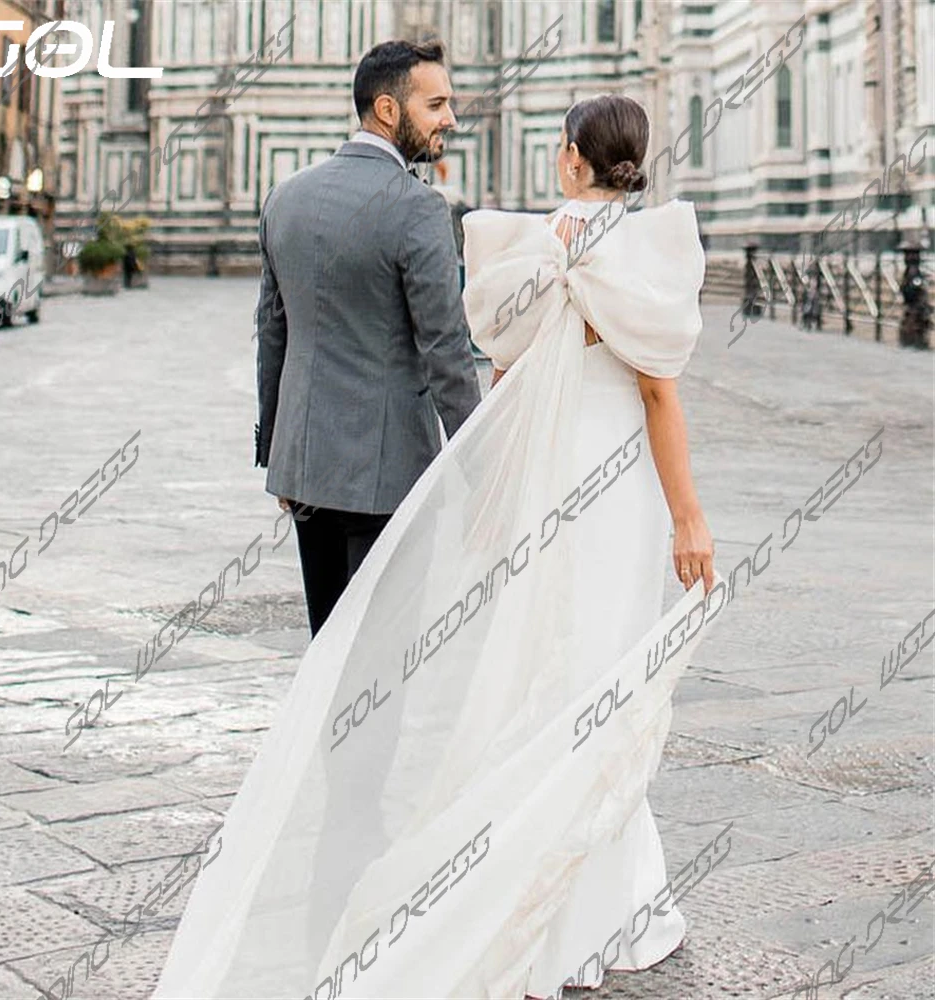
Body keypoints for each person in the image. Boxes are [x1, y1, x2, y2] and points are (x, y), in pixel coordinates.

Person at [153, 92, 715, 1000]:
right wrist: (690, 516)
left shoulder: (519, 249)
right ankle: (599, 905)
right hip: (621, 489)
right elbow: (659, 399)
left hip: (542, 484)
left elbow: (497, 377)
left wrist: (489, 495)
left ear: (570, 157)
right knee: (604, 679)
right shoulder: (649, 252)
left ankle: (523, 884)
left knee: (536, 673)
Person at [253, 39, 481, 638]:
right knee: (380, 662)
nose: (450, 120)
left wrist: (276, 449)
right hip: (386, 476)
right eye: (436, 105)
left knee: (329, 646)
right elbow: (446, 351)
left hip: (304, 470)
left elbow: (271, 333)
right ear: (387, 109)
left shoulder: (285, 198)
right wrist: (480, 456)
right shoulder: (418, 209)